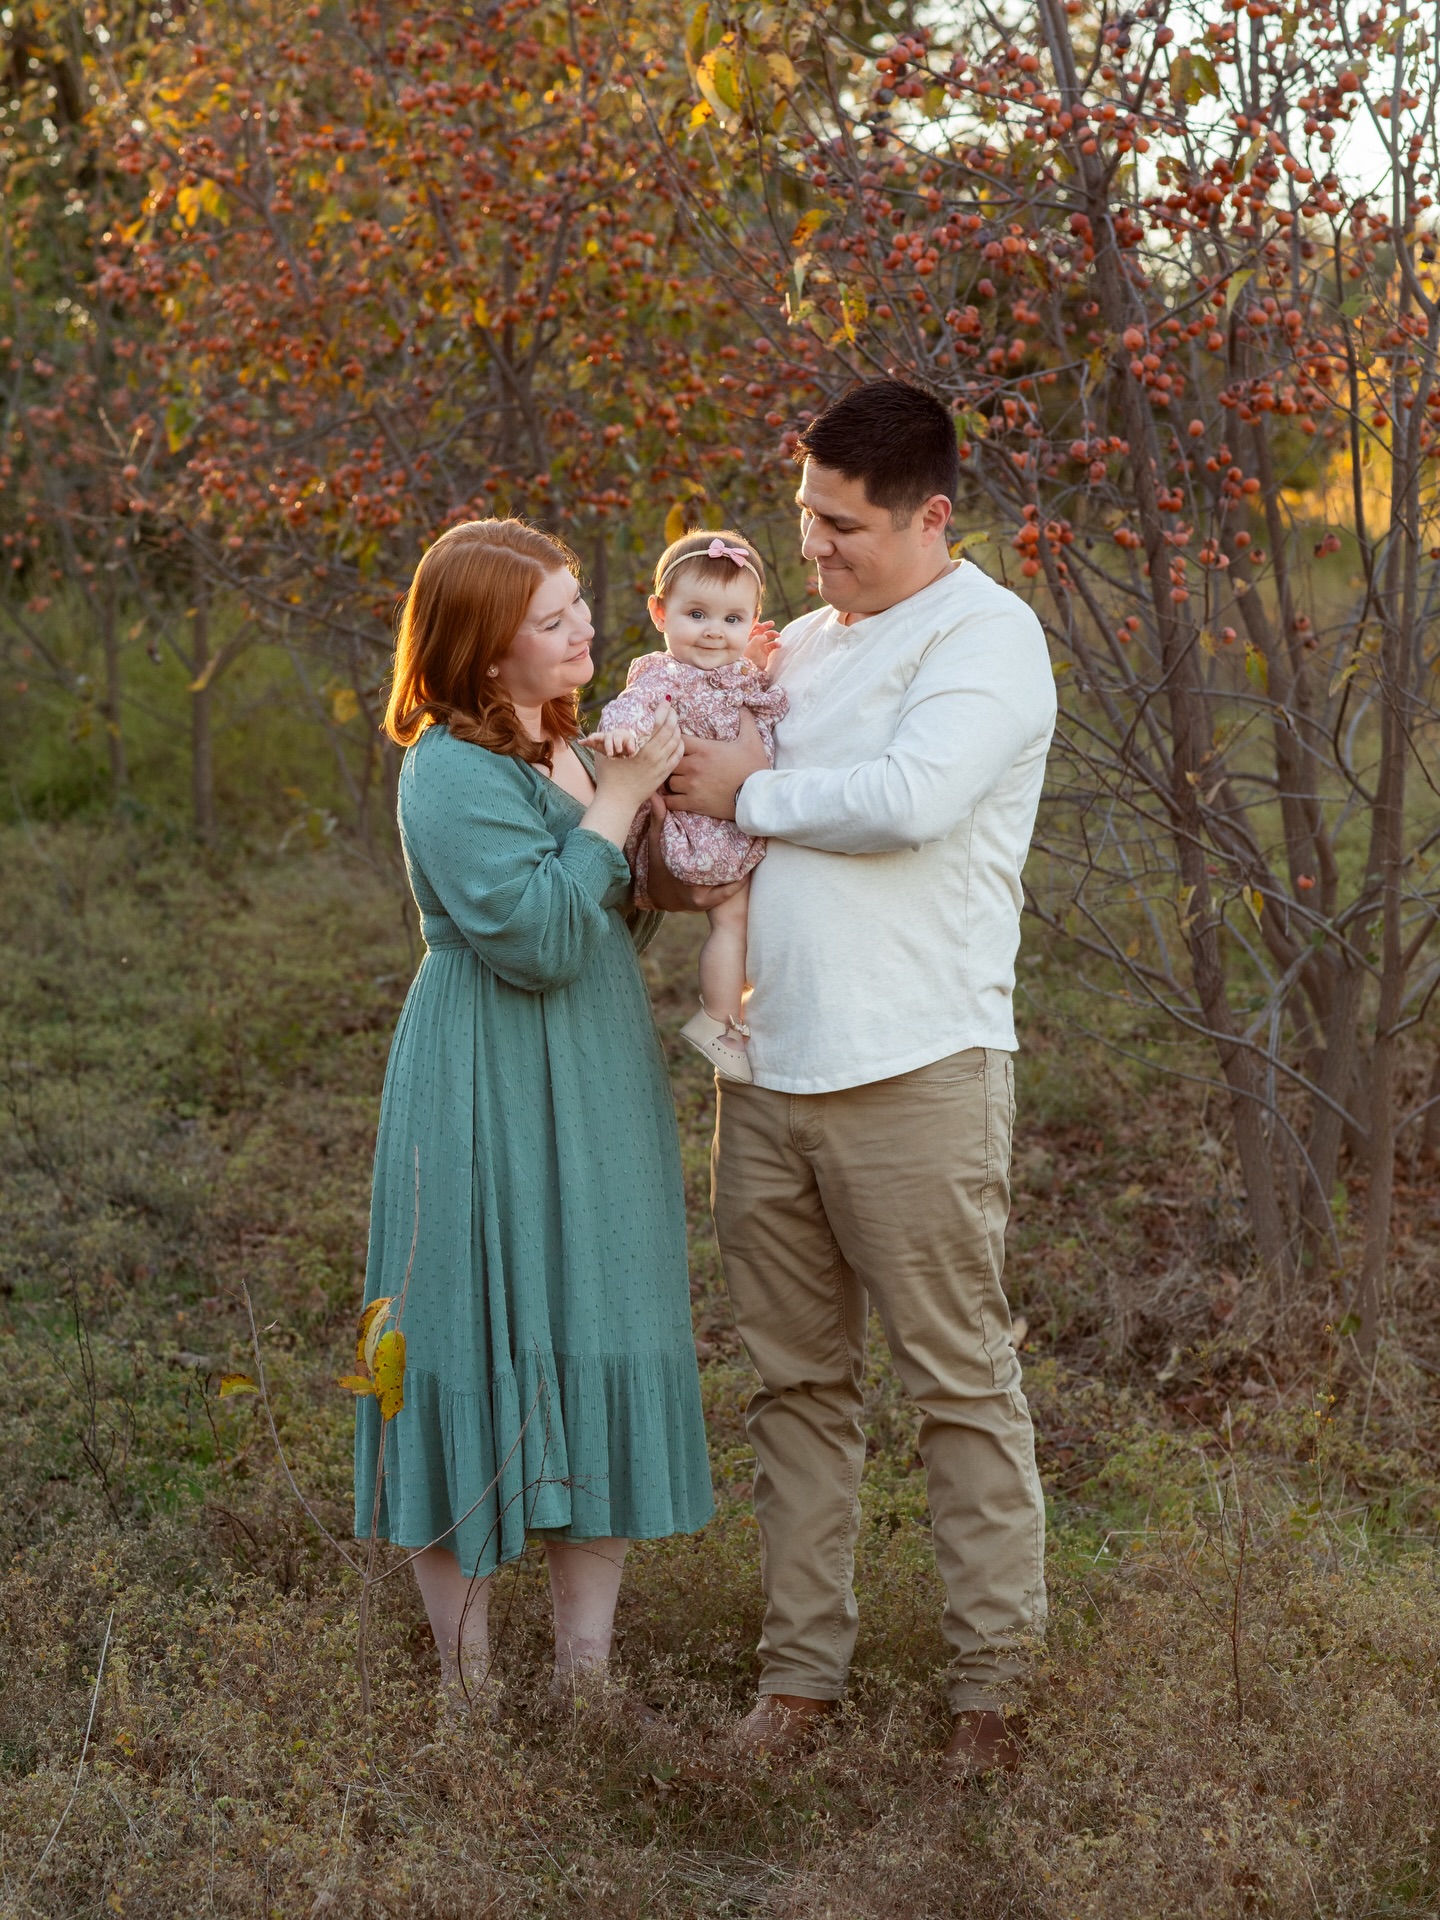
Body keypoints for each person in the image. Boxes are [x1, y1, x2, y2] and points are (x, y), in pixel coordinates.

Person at [664, 380, 1056, 1777]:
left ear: (931, 515)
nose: (816, 550)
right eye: (806, 521)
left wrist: (745, 794)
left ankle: (992, 1694)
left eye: (844, 527)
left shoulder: (988, 639)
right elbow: (707, 781)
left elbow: (912, 801)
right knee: (795, 1387)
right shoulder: (803, 644)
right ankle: (799, 1685)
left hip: (919, 1064)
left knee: (957, 1379)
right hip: (768, 1068)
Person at [355, 518, 714, 1717]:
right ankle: (467, 1694)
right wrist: (615, 807)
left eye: (579, 608)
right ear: (482, 645)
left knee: (600, 1321)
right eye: (554, 619)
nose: (586, 631)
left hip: (595, 1069)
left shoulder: (567, 741)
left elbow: (614, 912)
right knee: (461, 1339)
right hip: (481, 1073)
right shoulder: (448, 768)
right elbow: (540, 937)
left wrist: (654, 822)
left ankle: (586, 1683)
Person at [594, 529, 787, 1082]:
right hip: (702, 827)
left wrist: (750, 659)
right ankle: (721, 1022)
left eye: (732, 620)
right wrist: (622, 736)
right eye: (697, 614)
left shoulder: (731, 674)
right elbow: (630, 706)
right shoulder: (664, 676)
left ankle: (730, 1017)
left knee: (740, 923)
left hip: (728, 816)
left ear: (752, 620)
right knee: (732, 921)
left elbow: (755, 695)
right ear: (660, 613)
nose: (712, 633)